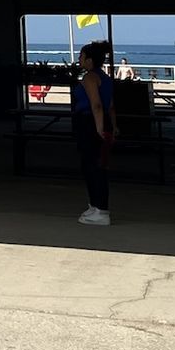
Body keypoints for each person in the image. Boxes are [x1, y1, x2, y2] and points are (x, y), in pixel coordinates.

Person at [73, 40, 118, 226]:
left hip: (90, 122)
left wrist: (99, 127)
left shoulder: (90, 78)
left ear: (90, 60)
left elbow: (97, 105)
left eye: (82, 56)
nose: (79, 59)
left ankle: (101, 209)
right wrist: (113, 126)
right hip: (101, 121)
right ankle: (94, 205)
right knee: (95, 164)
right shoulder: (105, 78)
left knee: (93, 166)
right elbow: (111, 106)